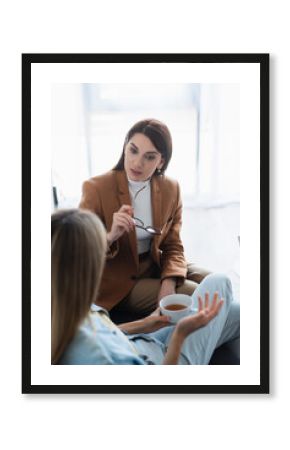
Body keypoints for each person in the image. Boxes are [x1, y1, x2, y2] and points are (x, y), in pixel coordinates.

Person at [51, 209, 240, 365]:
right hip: (164, 359)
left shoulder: (64, 307)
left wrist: (145, 323)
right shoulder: (104, 358)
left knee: (238, 312)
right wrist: (180, 335)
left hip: (144, 342)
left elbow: (104, 332)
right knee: (220, 282)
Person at [79, 118, 211, 323]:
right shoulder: (96, 188)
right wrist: (111, 235)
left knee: (215, 281)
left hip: (154, 263)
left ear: (161, 161)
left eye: (149, 157)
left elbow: (173, 244)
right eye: (133, 151)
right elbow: (79, 253)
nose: (137, 163)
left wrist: (168, 282)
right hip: (117, 278)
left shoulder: (171, 188)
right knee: (196, 294)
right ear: (125, 147)